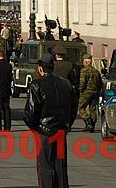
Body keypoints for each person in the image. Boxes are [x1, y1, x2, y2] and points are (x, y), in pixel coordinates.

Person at [24, 53, 77, 188]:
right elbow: (73, 109)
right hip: (60, 130)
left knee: (45, 168)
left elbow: (30, 113)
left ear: (41, 68)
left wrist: (36, 128)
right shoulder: (66, 84)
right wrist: (66, 126)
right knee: (60, 166)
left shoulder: (36, 85)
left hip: (44, 131)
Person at [76, 56, 102, 132]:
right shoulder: (96, 71)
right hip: (95, 92)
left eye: (84, 62)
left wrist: (80, 90)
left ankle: (88, 123)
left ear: (86, 62)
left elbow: (82, 83)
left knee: (81, 108)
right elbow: (100, 83)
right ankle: (92, 126)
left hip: (86, 92)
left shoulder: (84, 70)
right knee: (93, 109)